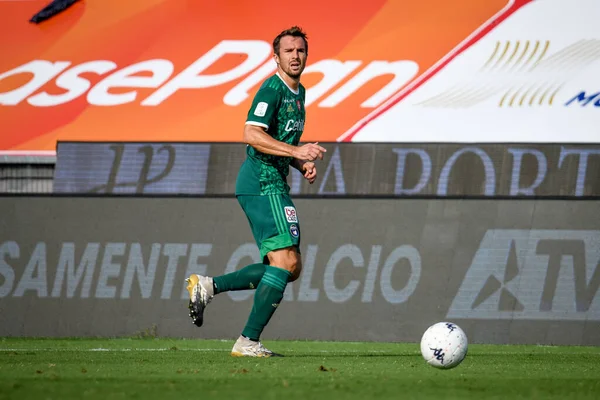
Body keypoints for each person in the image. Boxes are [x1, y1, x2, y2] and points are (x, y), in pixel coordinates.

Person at [185, 26, 326, 357]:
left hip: (273, 181)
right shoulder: (272, 90)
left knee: (289, 267)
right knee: (286, 260)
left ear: (307, 55)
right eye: (288, 51)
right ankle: (247, 341)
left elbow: (280, 142)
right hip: (261, 182)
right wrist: (296, 153)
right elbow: (251, 133)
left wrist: (298, 162)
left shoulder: (299, 92)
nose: (295, 55)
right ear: (275, 57)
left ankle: (208, 286)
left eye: (300, 50)